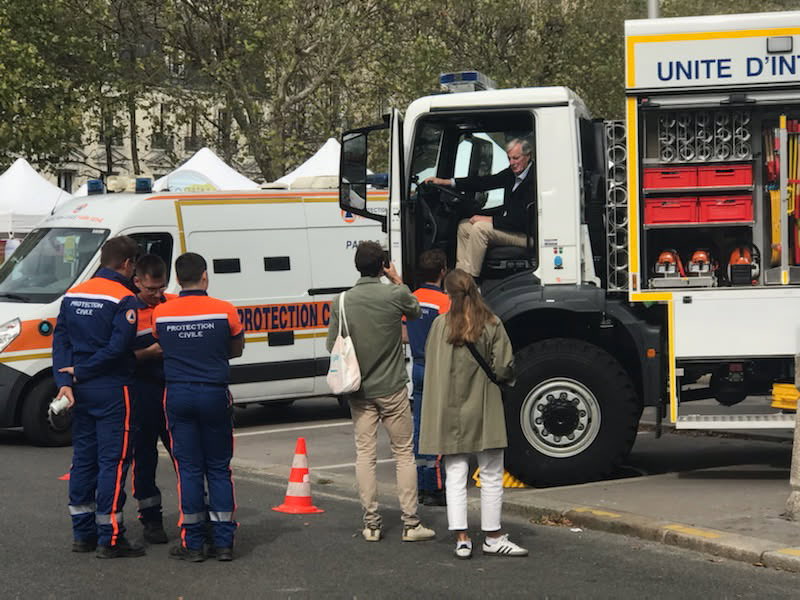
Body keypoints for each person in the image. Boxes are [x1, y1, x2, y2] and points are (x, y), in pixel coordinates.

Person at [326, 240, 435, 543]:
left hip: (359, 389)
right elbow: (415, 311)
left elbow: (332, 344)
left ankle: (371, 523)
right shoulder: (394, 294)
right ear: (383, 266)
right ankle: (411, 523)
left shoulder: (342, 301)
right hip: (392, 387)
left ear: (356, 266)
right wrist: (397, 280)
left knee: (365, 454)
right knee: (403, 454)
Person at [419, 268, 527, 559]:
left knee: (455, 473)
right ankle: (493, 536)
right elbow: (503, 366)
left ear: (448, 294)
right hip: (484, 405)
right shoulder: (491, 323)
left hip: (449, 409)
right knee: (491, 472)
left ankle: (462, 538)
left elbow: (431, 362)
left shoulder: (440, 326)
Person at [52, 235, 145, 559]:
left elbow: (60, 341)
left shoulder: (74, 293)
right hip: (112, 388)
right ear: (127, 263)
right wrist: (84, 371)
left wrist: (65, 381)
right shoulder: (124, 298)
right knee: (113, 462)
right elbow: (118, 347)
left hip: (79, 391)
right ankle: (111, 537)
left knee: (83, 460)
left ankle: (83, 534)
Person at [153, 252, 244, 563]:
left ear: (178, 279)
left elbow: (163, 345)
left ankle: (193, 543)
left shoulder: (161, 313)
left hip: (178, 393)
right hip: (214, 392)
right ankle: (224, 542)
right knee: (218, 467)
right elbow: (236, 348)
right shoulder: (225, 309)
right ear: (205, 276)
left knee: (189, 469)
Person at [424, 137, 534, 278]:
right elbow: (484, 182)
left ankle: (471, 279)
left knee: (480, 228)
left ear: (528, 156)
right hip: (510, 227)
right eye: (509, 158)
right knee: (464, 226)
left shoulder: (535, 179)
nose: (512, 163)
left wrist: (487, 219)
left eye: (516, 158)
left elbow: (520, 220)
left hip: (525, 234)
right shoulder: (512, 174)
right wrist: (447, 182)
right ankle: (461, 276)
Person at [130, 254, 176, 544]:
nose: (158, 295)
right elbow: (118, 357)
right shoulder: (127, 311)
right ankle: (151, 519)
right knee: (144, 458)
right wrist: (147, 354)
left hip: (173, 391)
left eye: (162, 288)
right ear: (137, 282)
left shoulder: (174, 305)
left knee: (185, 457)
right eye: (151, 289)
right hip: (142, 393)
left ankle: (197, 516)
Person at [405, 249, 450, 506]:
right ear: (443, 271)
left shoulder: (412, 299)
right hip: (437, 368)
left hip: (417, 367)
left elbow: (403, 334)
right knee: (438, 428)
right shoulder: (444, 302)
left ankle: (422, 485)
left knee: (420, 427)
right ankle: (436, 486)